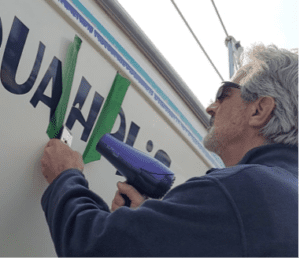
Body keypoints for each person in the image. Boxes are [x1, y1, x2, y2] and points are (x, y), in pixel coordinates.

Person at [41, 43, 299, 257]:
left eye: (223, 94)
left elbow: (96, 248)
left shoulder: (241, 190)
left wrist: (66, 179)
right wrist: (153, 233)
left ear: (259, 110)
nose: (210, 108)